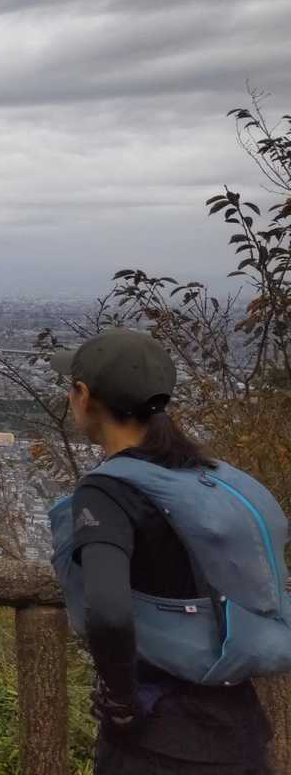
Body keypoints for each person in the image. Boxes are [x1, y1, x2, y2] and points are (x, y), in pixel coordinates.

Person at [52, 329, 273, 774]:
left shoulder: (108, 489)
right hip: (238, 726)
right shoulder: (203, 475)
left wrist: (121, 701)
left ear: (83, 395)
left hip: (159, 739)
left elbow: (107, 609)